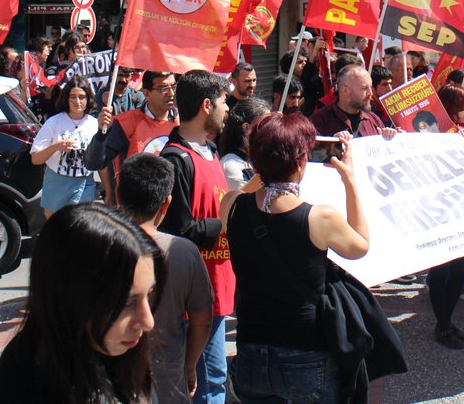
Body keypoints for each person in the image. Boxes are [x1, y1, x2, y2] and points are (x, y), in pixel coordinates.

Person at [221, 113, 369, 402]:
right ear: (302, 161)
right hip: (305, 350)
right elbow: (360, 246)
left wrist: (263, 168)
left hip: (250, 347)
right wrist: (350, 180)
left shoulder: (232, 205)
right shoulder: (319, 216)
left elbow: (244, 191)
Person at [0, 203, 164, 403]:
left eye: (149, 294)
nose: (148, 322)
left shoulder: (117, 360)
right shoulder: (14, 392)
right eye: (125, 302)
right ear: (70, 298)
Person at [159, 70, 236, 404]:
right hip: (195, 297)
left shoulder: (211, 150)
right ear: (207, 105)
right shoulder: (175, 160)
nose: (227, 109)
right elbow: (178, 231)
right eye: (223, 102)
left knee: (213, 380)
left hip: (217, 286)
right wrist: (227, 222)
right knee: (209, 382)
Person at [117, 154, 213, 404]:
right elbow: (202, 320)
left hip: (109, 380)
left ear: (119, 196)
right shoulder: (183, 251)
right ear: (166, 204)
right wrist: (190, 366)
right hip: (168, 380)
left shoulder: (98, 246)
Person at [425, 84, 464, 348]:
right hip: (438, 211)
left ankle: (445, 323)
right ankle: (443, 326)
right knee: (441, 270)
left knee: (461, 269)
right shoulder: (429, 136)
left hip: (460, 211)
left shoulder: (461, 134)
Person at [94, 71, 179, 205]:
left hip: (173, 206)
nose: (171, 93)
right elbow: (94, 162)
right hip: (136, 209)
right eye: (163, 88)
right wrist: (101, 133)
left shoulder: (183, 123)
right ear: (146, 93)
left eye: (173, 87)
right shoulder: (126, 123)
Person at [31, 75, 100, 218]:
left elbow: (101, 161)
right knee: (55, 225)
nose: (77, 101)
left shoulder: (94, 124)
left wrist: (110, 191)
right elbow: (35, 159)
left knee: (80, 226)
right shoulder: (54, 122)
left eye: (81, 97)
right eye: (73, 97)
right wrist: (56, 147)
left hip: (84, 182)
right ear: (66, 99)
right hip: (57, 182)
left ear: (88, 99)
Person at [309, 65, 394, 139]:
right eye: (364, 88)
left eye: (370, 87)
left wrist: (391, 137)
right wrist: (332, 144)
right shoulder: (320, 120)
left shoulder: (374, 120)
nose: (370, 93)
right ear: (345, 90)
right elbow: (309, 153)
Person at [219, 97, 269, 191]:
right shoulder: (231, 165)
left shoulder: (257, 158)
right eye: (265, 123)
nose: (271, 128)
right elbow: (239, 202)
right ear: (246, 127)